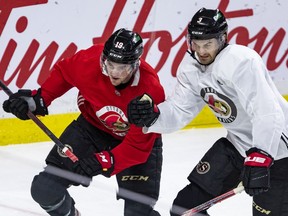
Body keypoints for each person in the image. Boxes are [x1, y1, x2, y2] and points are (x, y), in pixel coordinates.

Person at [127, 8, 288, 216]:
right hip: (236, 146)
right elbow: (180, 109)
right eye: (196, 44)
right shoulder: (191, 67)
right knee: (185, 209)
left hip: (277, 152)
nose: (201, 51)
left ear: (222, 40)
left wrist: (261, 156)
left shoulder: (241, 62)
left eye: (208, 44)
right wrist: (154, 116)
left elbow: (266, 111)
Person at [2, 28, 165, 216]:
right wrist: (39, 99)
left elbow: (137, 147)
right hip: (91, 130)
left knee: (139, 213)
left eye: (122, 67)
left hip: (133, 143)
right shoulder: (89, 60)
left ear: (135, 64)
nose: (114, 73)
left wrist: (103, 161)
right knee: (45, 189)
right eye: (110, 64)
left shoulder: (150, 90)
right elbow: (64, 73)